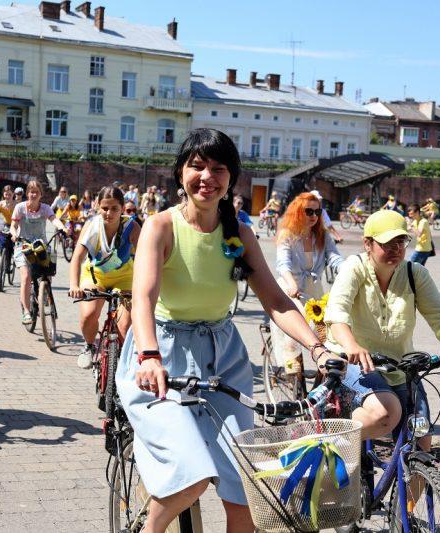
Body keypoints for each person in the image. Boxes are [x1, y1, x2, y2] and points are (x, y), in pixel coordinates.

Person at [115, 129, 338, 533]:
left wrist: (318, 348)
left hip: (223, 360)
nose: (207, 177)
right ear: (180, 172)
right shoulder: (160, 226)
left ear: (230, 177)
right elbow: (144, 298)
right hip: (162, 356)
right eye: (196, 166)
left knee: (249, 490)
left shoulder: (240, 233)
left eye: (218, 169)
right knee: (192, 474)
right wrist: (148, 355)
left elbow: (276, 301)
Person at [324, 210, 440, 452]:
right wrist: (351, 345)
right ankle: (328, 437)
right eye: (387, 243)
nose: (396, 249)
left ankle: (416, 483)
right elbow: (337, 312)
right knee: (384, 415)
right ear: (367, 244)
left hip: (399, 368)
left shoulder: (414, 273)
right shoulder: (354, 267)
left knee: (421, 443)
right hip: (357, 364)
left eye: (400, 242)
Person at [68, 186, 141, 369]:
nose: (109, 213)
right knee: (89, 314)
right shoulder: (92, 226)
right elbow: (77, 257)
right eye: (105, 208)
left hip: (125, 276)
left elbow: (144, 257)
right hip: (96, 276)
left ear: (122, 209)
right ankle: (89, 346)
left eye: (115, 208)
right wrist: (74, 285)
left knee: (125, 327)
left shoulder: (131, 227)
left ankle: (121, 366)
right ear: (97, 206)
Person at [273, 191, 344, 373]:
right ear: (297, 212)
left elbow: (335, 258)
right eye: (309, 211)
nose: (314, 216)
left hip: (314, 291)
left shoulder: (322, 235)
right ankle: (292, 376)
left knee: (328, 334)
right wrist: (291, 283)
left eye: (317, 212)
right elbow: (283, 263)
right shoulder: (287, 234)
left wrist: (350, 271)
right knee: (295, 333)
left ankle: (324, 380)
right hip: (290, 288)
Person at [10, 180, 67, 324]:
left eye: (36, 191)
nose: (33, 194)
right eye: (31, 191)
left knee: (48, 272)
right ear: (27, 193)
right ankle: (27, 312)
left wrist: (62, 228)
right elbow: (13, 225)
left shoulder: (46, 208)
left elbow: (54, 220)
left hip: (41, 245)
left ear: (41, 194)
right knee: (26, 277)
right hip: (23, 245)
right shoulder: (20, 208)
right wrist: (14, 234)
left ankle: (45, 293)